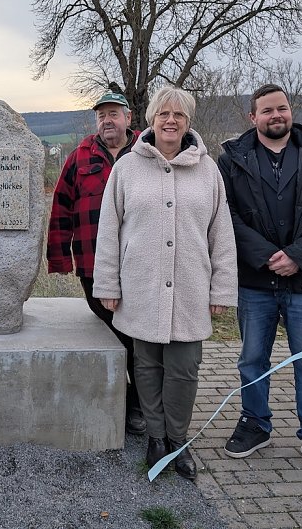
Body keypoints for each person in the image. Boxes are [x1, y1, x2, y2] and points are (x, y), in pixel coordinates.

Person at [93, 86, 237, 480]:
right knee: (147, 367)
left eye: (179, 115)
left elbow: (221, 235)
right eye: (163, 114)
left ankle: (178, 439)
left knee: (184, 369)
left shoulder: (208, 171)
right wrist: (107, 285)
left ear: (189, 122)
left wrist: (222, 289)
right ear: (151, 120)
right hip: (140, 286)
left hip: (190, 287)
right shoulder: (126, 168)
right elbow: (109, 231)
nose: (170, 121)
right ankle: (156, 438)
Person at [217, 84, 302, 482]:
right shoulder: (232, 160)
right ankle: (255, 424)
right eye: (267, 111)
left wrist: (299, 255)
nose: (276, 116)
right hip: (255, 281)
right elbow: (226, 214)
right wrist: (265, 256)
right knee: (251, 360)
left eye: (282, 108)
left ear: (290, 111)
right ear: (253, 117)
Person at [46, 91, 147, 435]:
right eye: (101, 115)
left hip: (139, 265)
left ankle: (135, 405)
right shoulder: (79, 158)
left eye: (114, 114)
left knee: (137, 335)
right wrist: (59, 259)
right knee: (118, 331)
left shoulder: (146, 154)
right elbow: (61, 209)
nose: (107, 120)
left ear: (129, 118)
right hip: (92, 265)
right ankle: (126, 397)